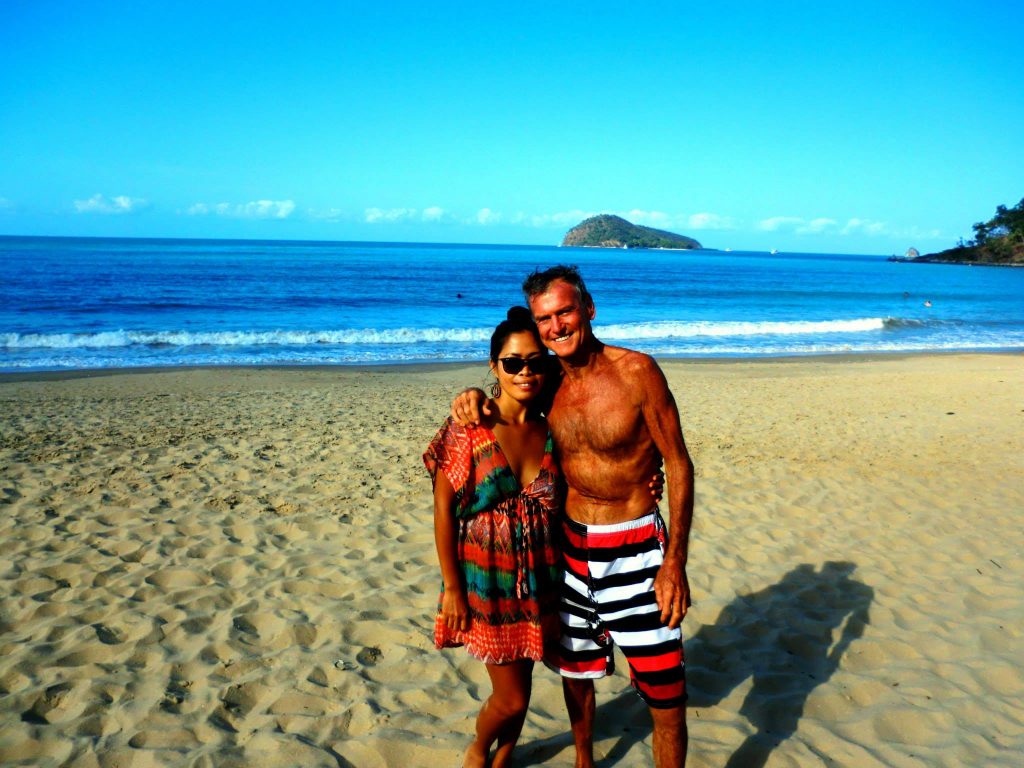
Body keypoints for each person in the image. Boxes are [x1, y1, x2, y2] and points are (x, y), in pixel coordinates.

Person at [452, 266, 695, 768]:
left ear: (589, 309)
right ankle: (584, 760)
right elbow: (507, 393)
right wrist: (470, 395)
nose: (556, 326)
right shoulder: (547, 383)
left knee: (666, 695)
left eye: (565, 312)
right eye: (545, 318)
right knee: (577, 673)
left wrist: (675, 562)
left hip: (636, 548)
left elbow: (678, 462)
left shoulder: (637, 372)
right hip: (568, 549)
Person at [425, 306, 563, 768]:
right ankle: (478, 748)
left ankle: (504, 757)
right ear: (494, 365)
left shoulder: (552, 427)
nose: (525, 372)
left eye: (535, 362)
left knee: (523, 684)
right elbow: (443, 510)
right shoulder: (470, 427)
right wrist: (452, 588)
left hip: (541, 580)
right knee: (511, 698)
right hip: (486, 583)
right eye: (512, 362)